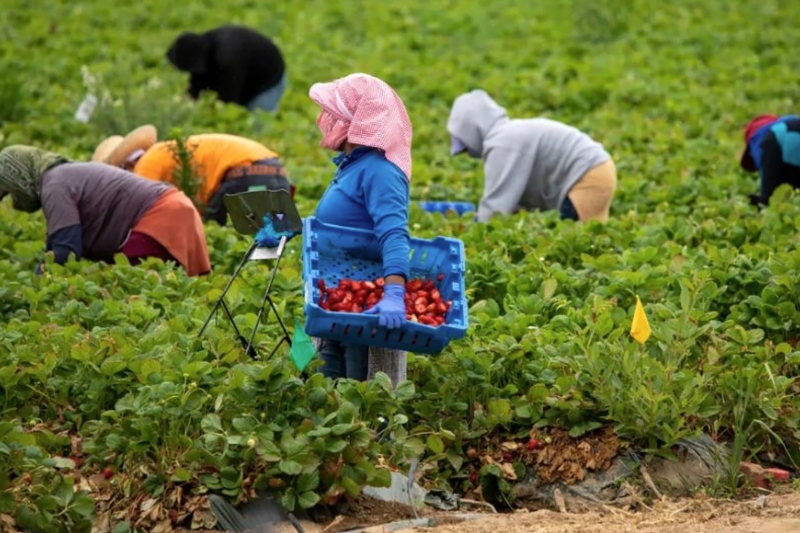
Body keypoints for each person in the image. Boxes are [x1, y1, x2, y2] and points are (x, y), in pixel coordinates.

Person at [308, 73, 412, 383]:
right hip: (336, 300)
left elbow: (394, 234)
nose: (328, 119)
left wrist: (394, 292)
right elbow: (346, 223)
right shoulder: (353, 165)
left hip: (366, 307)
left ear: (359, 121)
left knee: (362, 398)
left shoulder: (381, 172)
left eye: (337, 114)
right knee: (327, 396)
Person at [0, 145, 211, 276]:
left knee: (129, 289)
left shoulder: (54, 185)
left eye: (9, 190)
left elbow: (66, 246)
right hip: (174, 209)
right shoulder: (62, 176)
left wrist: (36, 286)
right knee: (161, 288)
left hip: (160, 217)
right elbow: (56, 242)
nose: (13, 199)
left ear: (20, 178)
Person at [446, 89, 617, 223]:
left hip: (586, 176)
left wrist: (475, 233)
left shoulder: (502, 143)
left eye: (465, 146)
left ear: (473, 130)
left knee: (575, 237)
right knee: (592, 236)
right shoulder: (509, 134)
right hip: (599, 168)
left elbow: (496, 205)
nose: (468, 153)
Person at [92, 125, 295, 226]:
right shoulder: (163, 152)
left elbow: (139, 209)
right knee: (272, 240)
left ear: (124, 166)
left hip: (245, 177)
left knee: (211, 231)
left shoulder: (147, 163)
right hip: (274, 172)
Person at [166, 25, 287, 113]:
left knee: (258, 129)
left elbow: (229, 101)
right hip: (245, 73)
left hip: (268, 80)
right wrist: (192, 99)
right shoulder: (203, 46)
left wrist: (213, 114)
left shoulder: (227, 57)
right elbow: (198, 79)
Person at [738, 114, 800, 206]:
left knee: (767, 201)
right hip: (792, 132)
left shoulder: (757, 139)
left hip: (781, 137)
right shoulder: (787, 120)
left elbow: (770, 171)